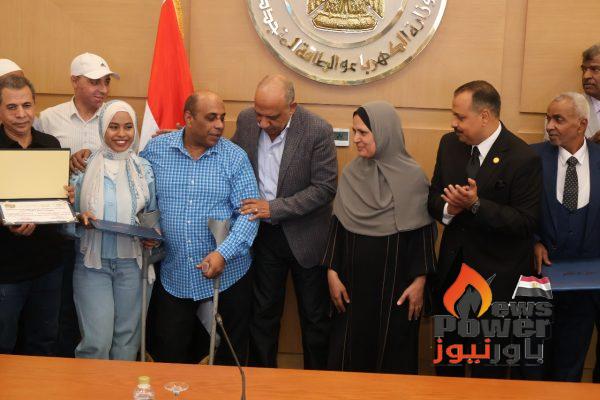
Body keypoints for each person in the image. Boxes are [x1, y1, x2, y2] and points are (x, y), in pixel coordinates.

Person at [428, 80, 542, 378]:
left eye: (460, 117)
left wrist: (477, 205)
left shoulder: (523, 157)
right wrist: (449, 209)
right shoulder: (449, 145)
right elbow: (433, 197)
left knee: (488, 375)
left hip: (497, 286)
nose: (453, 123)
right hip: (452, 278)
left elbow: (526, 222)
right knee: (447, 369)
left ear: (485, 116)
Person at [141, 91, 259, 365]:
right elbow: (137, 192)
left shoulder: (235, 157)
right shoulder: (157, 150)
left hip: (228, 276)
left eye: (222, 118)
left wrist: (223, 253)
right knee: (170, 358)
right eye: (211, 118)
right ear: (188, 118)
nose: (219, 125)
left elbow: (250, 214)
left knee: (229, 360)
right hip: (175, 274)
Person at [232, 75, 337, 369]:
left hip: (306, 237)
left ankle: (316, 383)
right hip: (263, 236)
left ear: (292, 107)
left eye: (272, 117)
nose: (263, 123)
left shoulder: (317, 130)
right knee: (263, 315)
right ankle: (263, 381)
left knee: (314, 318)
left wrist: (274, 208)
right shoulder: (245, 120)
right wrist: (183, 137)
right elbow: (228, 158)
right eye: (259, 114)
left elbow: (325, 189)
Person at [324, 101, 436, 373]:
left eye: (363, 132)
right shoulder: (351, 174)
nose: (356, 139)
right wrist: (331, 272)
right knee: (347, 358)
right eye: (354, 131)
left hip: (396, 292)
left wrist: (420, 282)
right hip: (351, 291)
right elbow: (338, 228)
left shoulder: (413, 178)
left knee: (393, 361)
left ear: (384, 133)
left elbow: (422, 235)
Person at [35, 52, 119, 357]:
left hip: (102, 234)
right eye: (94, 82)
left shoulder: (115, 117)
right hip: (59, 232)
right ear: (74, 81)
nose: (103, 89)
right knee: (61, 310)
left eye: (106, 82)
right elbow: (35, 166)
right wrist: (65, 164)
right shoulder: (48, 119)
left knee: (98, 318)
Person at [67, 100, 157, 360]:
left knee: (127, 342)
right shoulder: (82, 168)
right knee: (96, 343)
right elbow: (64, 221)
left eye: (128, 127)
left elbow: (153, 216)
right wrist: (78, 219)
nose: (121, 134)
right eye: (113, 127)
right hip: (92, 266)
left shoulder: (144, 169)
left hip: (133, 266)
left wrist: (153, 236)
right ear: (102, 128)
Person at [532, 92, 600, 382]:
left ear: (582, 124)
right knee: (531, 366)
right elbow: (517, 210)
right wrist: (533, 241)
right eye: (548, 118)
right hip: (537, 284)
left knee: (569, 369)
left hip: (586, 291)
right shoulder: (531, 158)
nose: (550, 126)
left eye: (558, 119)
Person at [0, 75, 65, 355]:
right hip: (5, 270)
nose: (21, 114)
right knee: (3, 344)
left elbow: (56, 197)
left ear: (35, 105)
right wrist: (5, 221)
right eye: (12, 107)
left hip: (48, 265)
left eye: (26, 105)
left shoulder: (50, 144)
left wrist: (65, 196)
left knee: (44, 343)